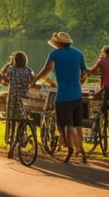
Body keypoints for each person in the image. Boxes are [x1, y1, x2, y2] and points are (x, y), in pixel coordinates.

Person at [34, 31, 88, 163]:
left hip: (63, 96)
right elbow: (84, 74)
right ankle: (81, 150)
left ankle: (71, 147)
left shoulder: (55, 54)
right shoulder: (79, 53)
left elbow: (47, 69)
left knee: (64, 124)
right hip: (77, 95)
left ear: (57, 43)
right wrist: (79, 81)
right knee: (78, 125)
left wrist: (34, 81)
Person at [0, 51, 35, 159]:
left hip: (12, 100)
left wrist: (0, 79)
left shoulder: (11, 70)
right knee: (22, 122)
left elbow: (6, 82)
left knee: (11, 123)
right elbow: (32, 82)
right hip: (25, 101)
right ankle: (19, 140)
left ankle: (11, 147)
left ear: (15, 61)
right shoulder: (29, 71)